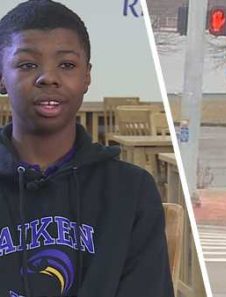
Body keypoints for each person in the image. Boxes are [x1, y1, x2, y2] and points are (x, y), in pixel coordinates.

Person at [0, 1, 174, 296]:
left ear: (87, 77)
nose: (48, 77)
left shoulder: (131, 191)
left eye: (66, 65)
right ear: (1, 76)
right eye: (27, 65)